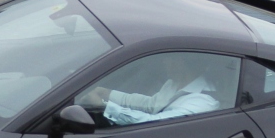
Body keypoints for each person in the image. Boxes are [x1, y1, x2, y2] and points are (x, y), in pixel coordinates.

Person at [78, 53, 222, 126]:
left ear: (182, 63)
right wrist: (108, 94)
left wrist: (103, 107)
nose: (165, 62)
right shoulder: (173, 83)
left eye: (170, 58)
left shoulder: (202, 102)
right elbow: (151, 105)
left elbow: (153, 122)